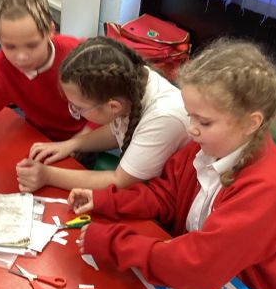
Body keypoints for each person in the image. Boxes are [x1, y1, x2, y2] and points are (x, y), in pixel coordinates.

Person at [70, 38, 276, 289]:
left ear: (250, 123)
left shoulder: (265, 189)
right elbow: (165, 195)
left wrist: (116, 245)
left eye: (204, 122)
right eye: (189, 114)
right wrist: (107, 201)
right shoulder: (206, 148)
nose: (191, 128)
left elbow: (201, 265)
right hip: (196, 285)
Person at [15, 36, 189, 192]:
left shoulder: (163, 118)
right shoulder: (132, 82)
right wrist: (72, 144)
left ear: (113, 106)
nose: (74, 111)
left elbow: (120, 181)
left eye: (78, 108)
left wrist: (47, 175)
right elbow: (117, 131)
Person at [0, 0, 87, 178]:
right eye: (10, 47)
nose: (21, 57)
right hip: (37, 140)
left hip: (85, 143)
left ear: (50, 31)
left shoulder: (77, 54)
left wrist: (78, 143)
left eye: (32, 45)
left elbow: (111, 109)